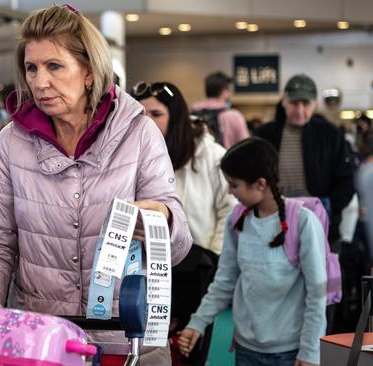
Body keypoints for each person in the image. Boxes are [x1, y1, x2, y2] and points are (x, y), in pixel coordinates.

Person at [0, 5, 192, 364]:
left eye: (54, 66)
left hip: (128, 341)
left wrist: (161, 220)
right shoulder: (11, 142)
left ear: (88, 71)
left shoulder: (139, 132)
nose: (39, 82)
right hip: (41, 340)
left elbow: (178, 247)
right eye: (31, 68)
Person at [178, 137, 327, 366]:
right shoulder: (238, 219)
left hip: (290, 351)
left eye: (234, 184)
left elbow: (316, 293)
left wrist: (310, 351)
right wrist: (197, 323)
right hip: (246, 348)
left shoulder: (304, 222)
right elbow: (224, 281)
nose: (229, 191)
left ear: (260, 184)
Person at [131, 81, 236, 363]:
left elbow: (231, 207)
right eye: (142, 115)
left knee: (190, 349)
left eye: (156, 114)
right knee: (153, 347)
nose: (148, 122)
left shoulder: (211, 154)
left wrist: (214, 253)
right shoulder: (137, 155)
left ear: (175, 115)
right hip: (152, 266)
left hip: (199, 265)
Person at [254, 74, 356, 243]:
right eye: (294, 103)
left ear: (315, 103)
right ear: (284, 101)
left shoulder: (330, 134)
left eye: (306, 103)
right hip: (273, 220)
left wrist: (328, 207)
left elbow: (347, 179)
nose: (300, 110)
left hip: (321, 222)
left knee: (321, 268)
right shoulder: (265, 134)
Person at [191, 71, 249, 148]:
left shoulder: (192, 112)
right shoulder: (234, 116)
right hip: (225, 158)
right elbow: (245, 146)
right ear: (225, 91)